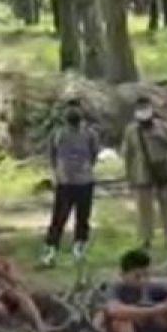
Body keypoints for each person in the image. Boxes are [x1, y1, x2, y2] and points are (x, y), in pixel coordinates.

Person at [41, 98, 100, 267]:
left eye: (76, 109)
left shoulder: (90, 134)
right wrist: (60, 172)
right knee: (58, 218)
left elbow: (94, 154)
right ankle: (50, 252)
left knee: (83, 218)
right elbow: (52, 155)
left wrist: (85, 169)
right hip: (64, 182)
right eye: (70, 109)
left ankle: (79, 250)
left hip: (85, 182)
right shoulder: (57, 134)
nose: (73, 113)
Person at [122, 96, 167, 250]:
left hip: (162, 170)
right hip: (141, 173)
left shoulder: (163, 126)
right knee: (144, 209)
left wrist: (160, 137)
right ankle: (146, 239)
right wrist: (129, 176)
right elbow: (128, 154)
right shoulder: (131, 130)